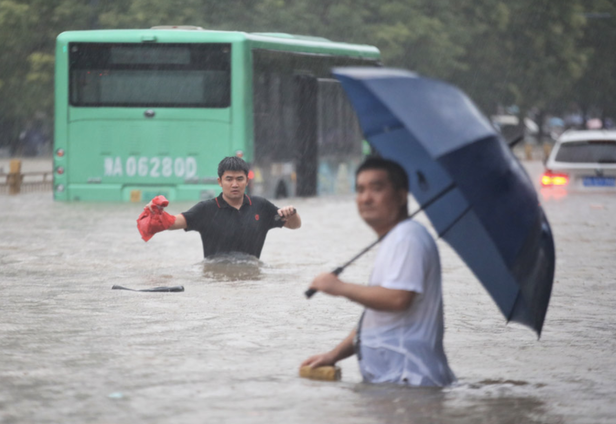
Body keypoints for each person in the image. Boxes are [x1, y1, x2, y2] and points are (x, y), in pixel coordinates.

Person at [300, 157, 455, 387]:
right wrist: (333, 355)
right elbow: (377, 321)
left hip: (410, 385)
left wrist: (340, 288)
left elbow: (398, 299)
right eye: (360, 189)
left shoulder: (407, 237)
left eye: (376, 188)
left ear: (401, 196)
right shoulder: (394, 240)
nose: (366, 198)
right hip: (392, 386)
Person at [143, 156, 301, 259]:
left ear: (247, 181)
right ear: (220, 182)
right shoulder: (206, 209)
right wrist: (155, 214)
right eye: (229, 179)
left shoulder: (261, 206)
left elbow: (294, 225)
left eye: (240, 179)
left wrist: (292, 213)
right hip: (216, 280)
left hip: (251, 281)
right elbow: (174, 222)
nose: (234, 184)